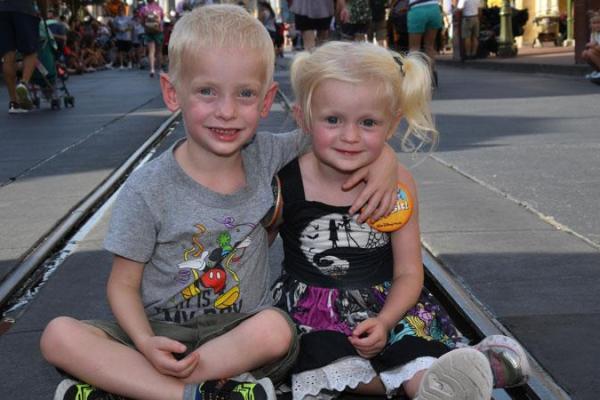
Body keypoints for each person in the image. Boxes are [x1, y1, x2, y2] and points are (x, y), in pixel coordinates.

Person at [40, 5, 400, 400]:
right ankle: (197, 393)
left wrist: (386, 160)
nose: (226, 111)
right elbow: (123, 285)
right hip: (160, 332)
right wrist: (144, 341)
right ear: (172, 92)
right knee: (57, 335)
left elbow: (339, 139)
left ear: (266, 101)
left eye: (245, 94)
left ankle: (135, 386)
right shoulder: (148, 187)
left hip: (240, 334)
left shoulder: (266, 155)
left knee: (277, 329)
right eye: (207, 91)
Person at [271, 41, 531, 400]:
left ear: (391, 125)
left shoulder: (401, 182)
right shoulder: (286, 182)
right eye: (333, 120)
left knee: (414, 352)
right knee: (318, 358)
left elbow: (409, 271)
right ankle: (479, 368)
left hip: (388, 308)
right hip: (314, 316)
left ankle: (435, 385)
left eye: (368, 123)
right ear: (304, 118)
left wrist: (387, 319)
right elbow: (254, 248)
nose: (350, 136)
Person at [0, 0, 46, 114]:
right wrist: (43, 12)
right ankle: (23, 83)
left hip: (2, 10)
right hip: (24, 9)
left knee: (8, 55)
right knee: (31, 52)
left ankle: (14, 103)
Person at [407, 0, 443, 85]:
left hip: (417, 9)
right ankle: (431, 76)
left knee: (414, 48)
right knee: (429, 46)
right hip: (434, 8)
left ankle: (415, 78)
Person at [140, 0, 164, 77]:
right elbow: (161, 19)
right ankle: (159, 69)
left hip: (148, 32)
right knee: (159, 51)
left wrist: (146, 27)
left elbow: (142, 21)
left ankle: (152, 69)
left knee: (151, 51)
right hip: (158, 31)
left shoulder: (144, 9)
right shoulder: (159, 8)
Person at [111, 4, 134, 69]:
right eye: (119, 10)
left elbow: (131, 27)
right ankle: (121, 64)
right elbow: (114, 28)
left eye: (122, 10)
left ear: (124, 10)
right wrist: (118, 30)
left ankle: (130, 63)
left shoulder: (128, 18)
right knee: (120, 51)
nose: (120, 11)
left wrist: (125, 30)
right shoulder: (116, 18)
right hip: (119, 37)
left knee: (128, 51)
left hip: (127, 37)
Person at [583, 10, 600, 82]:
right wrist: (593, 45)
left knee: (590, 52)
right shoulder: (593, 33)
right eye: (594, 23)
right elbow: (591, 45)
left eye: (599, 23)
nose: (597, 25)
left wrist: (594, 45)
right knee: (585, 53)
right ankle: (598, 71)